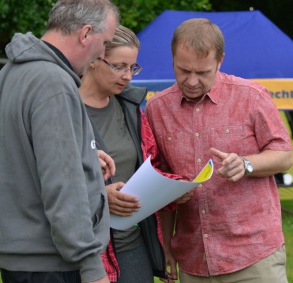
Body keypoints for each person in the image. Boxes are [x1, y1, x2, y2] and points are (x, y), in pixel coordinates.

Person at [145, 18, 293, 283]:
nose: (191, 81)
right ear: (173, 58)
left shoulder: (253, 97)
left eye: (202, 72)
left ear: (220, 61)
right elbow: (160, 183)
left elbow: (284, 155)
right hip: (193, 259)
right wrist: (166, 246)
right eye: (183, 70)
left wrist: (247, 164)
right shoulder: (157, 109)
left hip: (253, 256)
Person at [0, 1, 119, 283]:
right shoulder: (53, 82)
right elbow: (63, 186)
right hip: (51, 262)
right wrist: (92, 268)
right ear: (85, 34)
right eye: (105, 43)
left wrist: (80, 154)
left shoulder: (9, 73)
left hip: (20, 259)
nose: (102, 54)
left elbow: (17, 155)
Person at [79, 25, 184, 283]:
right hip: (84, 251)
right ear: (93, 60)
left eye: (133, 67)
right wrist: (99, 197)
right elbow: (40, 179)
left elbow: (151, 166)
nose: (127, 76)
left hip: (131, 247)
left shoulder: (131, 108)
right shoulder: (64, 107)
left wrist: (174, 187)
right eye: (118, 66)